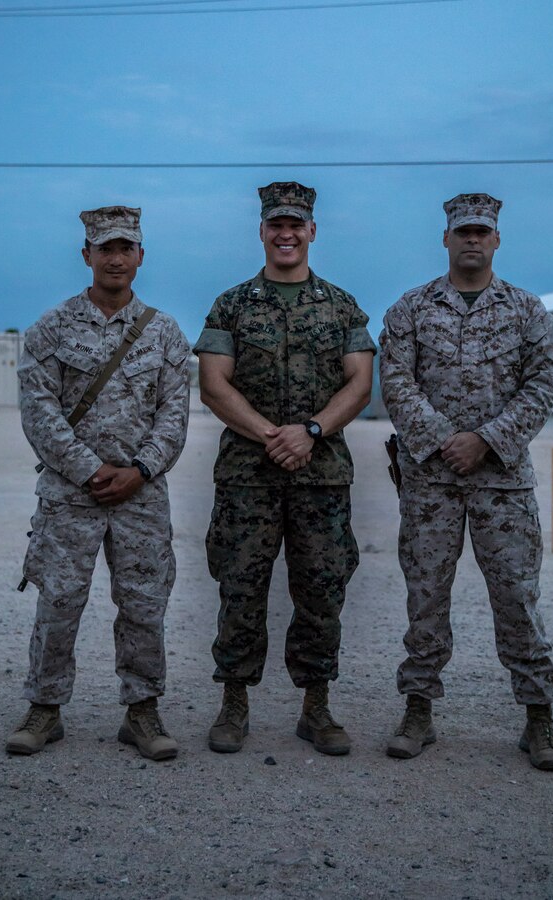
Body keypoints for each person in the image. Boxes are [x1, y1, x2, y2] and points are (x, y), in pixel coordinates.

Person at [379, 193, 553, 771]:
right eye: (463, 232)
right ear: (446, 239)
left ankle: (538, 716)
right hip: (430, 483)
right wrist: (443, 440)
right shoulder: (410, 309)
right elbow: (396, 381)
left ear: (497, 239)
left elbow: (542, 386)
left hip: (502, 484)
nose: (472, 240)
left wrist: (484, 439)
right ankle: (418, 709)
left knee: (516, 597)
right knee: (426, 597)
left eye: (482, 232)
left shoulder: (528, 311)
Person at [193, 182, 375, 755]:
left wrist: (312, 431)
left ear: (313, 231)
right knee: (240, 587)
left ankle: (316, 709)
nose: (286, 234)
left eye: (296, 225)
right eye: (276, 225)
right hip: (248, 474)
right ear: (263, 232)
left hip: (321, 477)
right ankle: (234, 705)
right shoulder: (232, 304)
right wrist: (272, 435)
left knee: (321, 589)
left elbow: (361, 384)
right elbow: (213, 384)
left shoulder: (342, 305)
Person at [6, 206, 190, 761]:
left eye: (125, 248)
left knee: (143, 604)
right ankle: (44, 709)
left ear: (141, 256)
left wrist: (140, 470)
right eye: (104, 248)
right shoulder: (51, 328)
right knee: (59, 602)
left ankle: (142, 711)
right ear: (86, 255)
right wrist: (89, 469)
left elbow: (175, 415)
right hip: (70, 494)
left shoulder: (165, 333)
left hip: (142, 496)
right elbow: (38, 412)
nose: (115, 258)